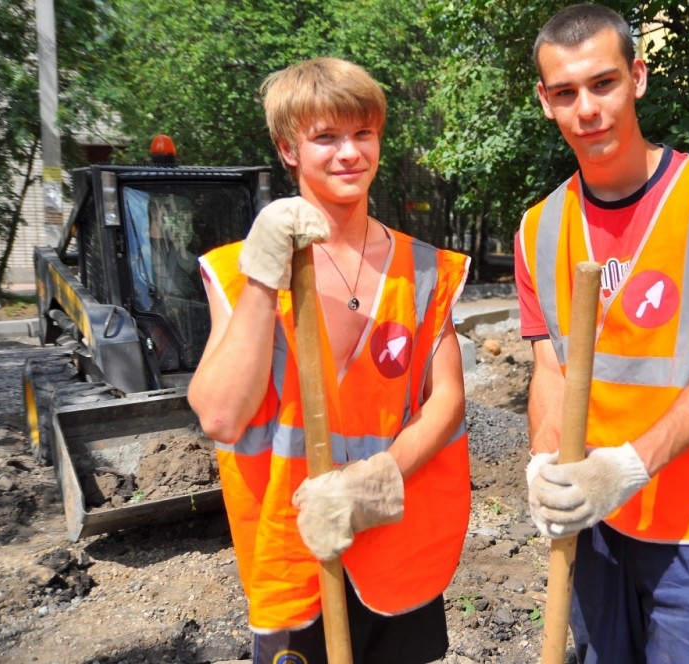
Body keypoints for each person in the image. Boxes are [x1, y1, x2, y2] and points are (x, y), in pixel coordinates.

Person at [515, 5, 689, 663]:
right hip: (595, 523)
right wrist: (546, 464)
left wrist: (629, 466)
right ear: (546, 102)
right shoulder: (538, 229)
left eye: (603, 83)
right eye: (567, 92)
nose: (588, 109)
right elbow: (551, 371)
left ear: (637, 77)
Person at [188, 57, 471, 664]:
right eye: (326, 137)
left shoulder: (425, 270)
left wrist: (379, 479)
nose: (349, 153)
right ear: (289, 148)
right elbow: (220, 417)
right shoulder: (240, 274)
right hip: (297, 557)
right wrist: (265, 280)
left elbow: (445, 400)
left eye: (362, 134)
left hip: (400, 553)